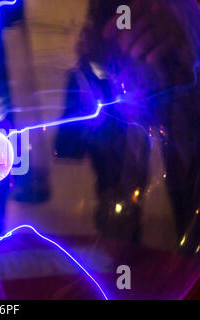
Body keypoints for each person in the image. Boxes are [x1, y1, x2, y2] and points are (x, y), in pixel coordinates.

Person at [55, 0, 199, 253]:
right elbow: (67, 147)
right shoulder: (95, 79)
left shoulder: (180, 79)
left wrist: (189, 36)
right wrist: (89, 72)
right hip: (116, 234)